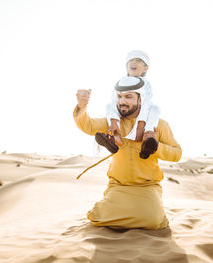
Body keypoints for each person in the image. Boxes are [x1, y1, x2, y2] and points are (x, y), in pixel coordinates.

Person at [74, 76, 182, 230]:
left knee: (153, 221)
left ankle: (149, 211)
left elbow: (177, 154)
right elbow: (88, 126)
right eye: (120, 97)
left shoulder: (159, 125)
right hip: (118, 186)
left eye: (129, 97)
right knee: (98, 217)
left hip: (147, 187)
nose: (122, 101)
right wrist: (81, 106)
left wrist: (156, 147)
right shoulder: (112, 122)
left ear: (141, 100)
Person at [96, 50, 160, 159]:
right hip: (123, 109)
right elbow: (114, 100)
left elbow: (146, 105)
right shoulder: (121, 81)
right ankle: (116, 138)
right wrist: (113, 121)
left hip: (138, 112)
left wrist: (141, 125)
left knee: (155, 108)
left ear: (145, 68)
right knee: (108, 106)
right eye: (131, 60)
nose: (133, 63)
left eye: (138, 60)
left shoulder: (146, 84)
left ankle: (147, 139)